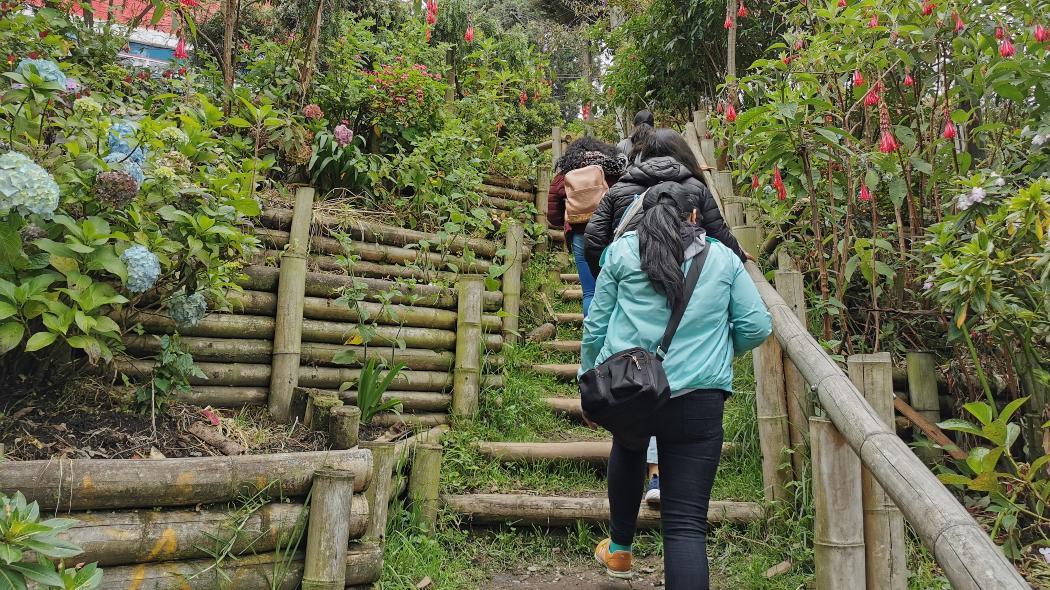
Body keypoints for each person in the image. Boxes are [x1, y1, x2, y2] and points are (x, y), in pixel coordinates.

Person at [581, 182, 771, 587]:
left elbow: (596, 327)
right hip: (699, 400)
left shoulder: (622, 252)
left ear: (643, 214)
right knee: (685, 526)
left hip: (630, 390)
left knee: (629, 447)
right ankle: (621, 550)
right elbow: (756, 326)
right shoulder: (722, 259)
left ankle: (619, 550)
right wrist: (717, 354)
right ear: (694, 216)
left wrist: (587, 379)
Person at [587, 127, 752, 505]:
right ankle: (657, 482)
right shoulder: (695, 188)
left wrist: (612, 278)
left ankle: (622, 540)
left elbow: (595, 239)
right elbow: (720, 236)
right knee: (686, 522)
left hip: (632, 325)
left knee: (635, 415)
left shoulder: (620, 188)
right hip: (693, 337)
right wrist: (738, 261)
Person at [547, 137, 626, 316]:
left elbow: (553, 216)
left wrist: (570, 219)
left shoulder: (564, 176)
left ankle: (591, 340)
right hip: (611, 235)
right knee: (616, 289)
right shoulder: (612, 171)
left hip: (580, 235)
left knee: (590, 292)